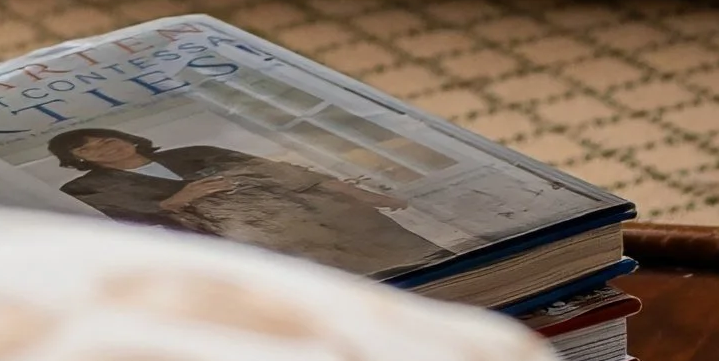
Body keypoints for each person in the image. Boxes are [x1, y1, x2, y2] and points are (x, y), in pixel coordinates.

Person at [44, 127, 440, 275]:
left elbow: (291, 175)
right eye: (89, 150)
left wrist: (362, 193)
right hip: (255, 245)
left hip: (328, 216)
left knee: (428, 263)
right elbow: (128, 233)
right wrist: (173, 201)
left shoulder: (197, 148)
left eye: (106, 138)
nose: (103, 148)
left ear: (128, 138)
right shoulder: (85, 191)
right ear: (78, 161)